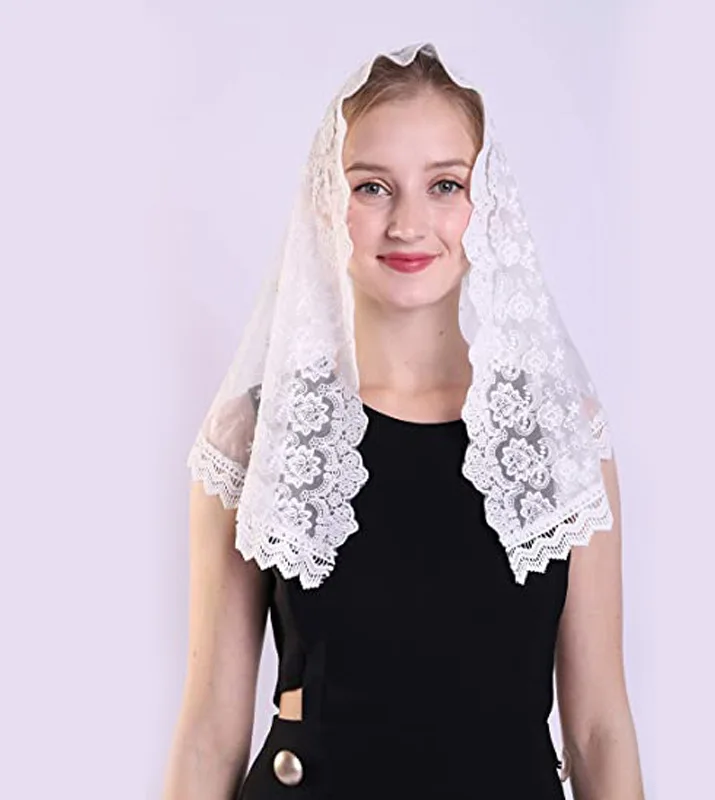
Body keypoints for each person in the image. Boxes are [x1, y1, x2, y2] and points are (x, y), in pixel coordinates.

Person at [163, 43, 644, 800]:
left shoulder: (561, 436)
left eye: (445, 184)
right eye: (373, 187)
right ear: (328, 204)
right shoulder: (256, 434)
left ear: (487, 205)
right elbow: (209, 736)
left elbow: (598, 730)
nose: (409, 222)